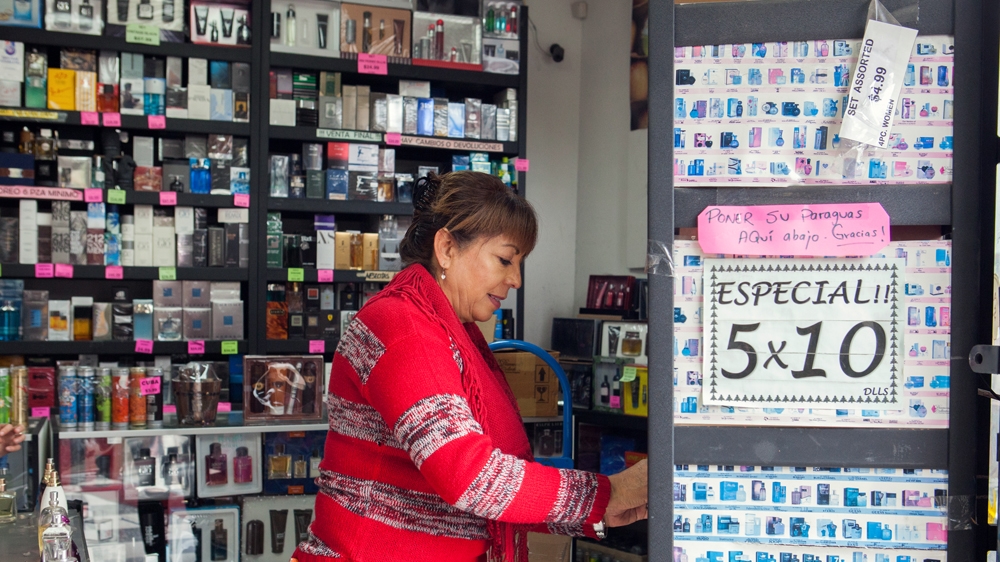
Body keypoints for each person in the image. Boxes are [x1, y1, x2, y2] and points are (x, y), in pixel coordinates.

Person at [293, 172, 648, 562]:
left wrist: (603, 510)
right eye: (504, 260)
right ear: (446, 247)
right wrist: (605, 494)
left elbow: (494, 495)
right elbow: (470, 476)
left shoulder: (450, 331)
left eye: (519, 264)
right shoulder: (404, 328)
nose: (515, 279)